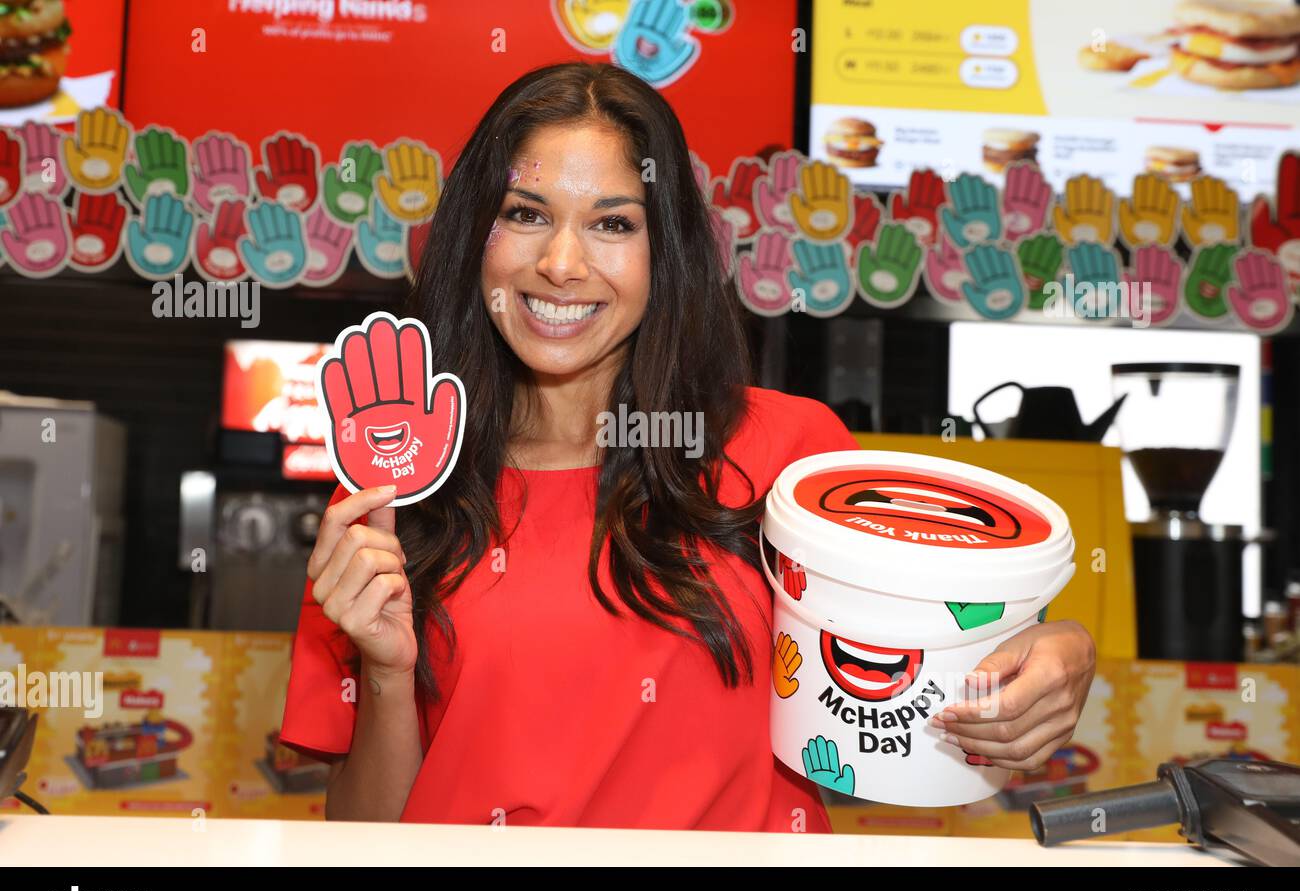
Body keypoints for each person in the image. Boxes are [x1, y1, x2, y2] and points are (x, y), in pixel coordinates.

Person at [280, 62, 1096, 832]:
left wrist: (1058, 648)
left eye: (612, 223)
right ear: (474, 238)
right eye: (525, 214)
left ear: (664, 252)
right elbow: (362, 837)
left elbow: (933, 634)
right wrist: (387, 674)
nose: (562, 264)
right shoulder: (393, 488)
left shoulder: (788, 452)